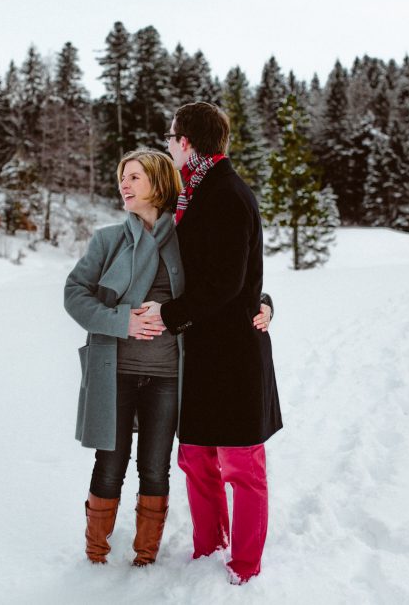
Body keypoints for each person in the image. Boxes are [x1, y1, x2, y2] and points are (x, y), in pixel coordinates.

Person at [64, 149, 272, 567]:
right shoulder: (108, 240)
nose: (124, 184)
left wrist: (264, 303)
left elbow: (225, 284)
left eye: (135, 177)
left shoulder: (186, 240)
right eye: (122, 177)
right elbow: (74, 296)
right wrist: (122, 321)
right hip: (116, 371)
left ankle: (146, 558)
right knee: (109, 464)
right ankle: (94, 556)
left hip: (169, 375)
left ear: (158, 183)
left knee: (156, 468)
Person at [143, 102, 282, 584]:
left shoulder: (226, 193)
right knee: (196, 456)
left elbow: (228, 281)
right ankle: (208, 549)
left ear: (186, 143)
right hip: (199, 350)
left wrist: (169, 315)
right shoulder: (193, 194)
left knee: (241, 463)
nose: (167, 142)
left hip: (233, 353)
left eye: (170, 135)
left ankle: (244, 565)